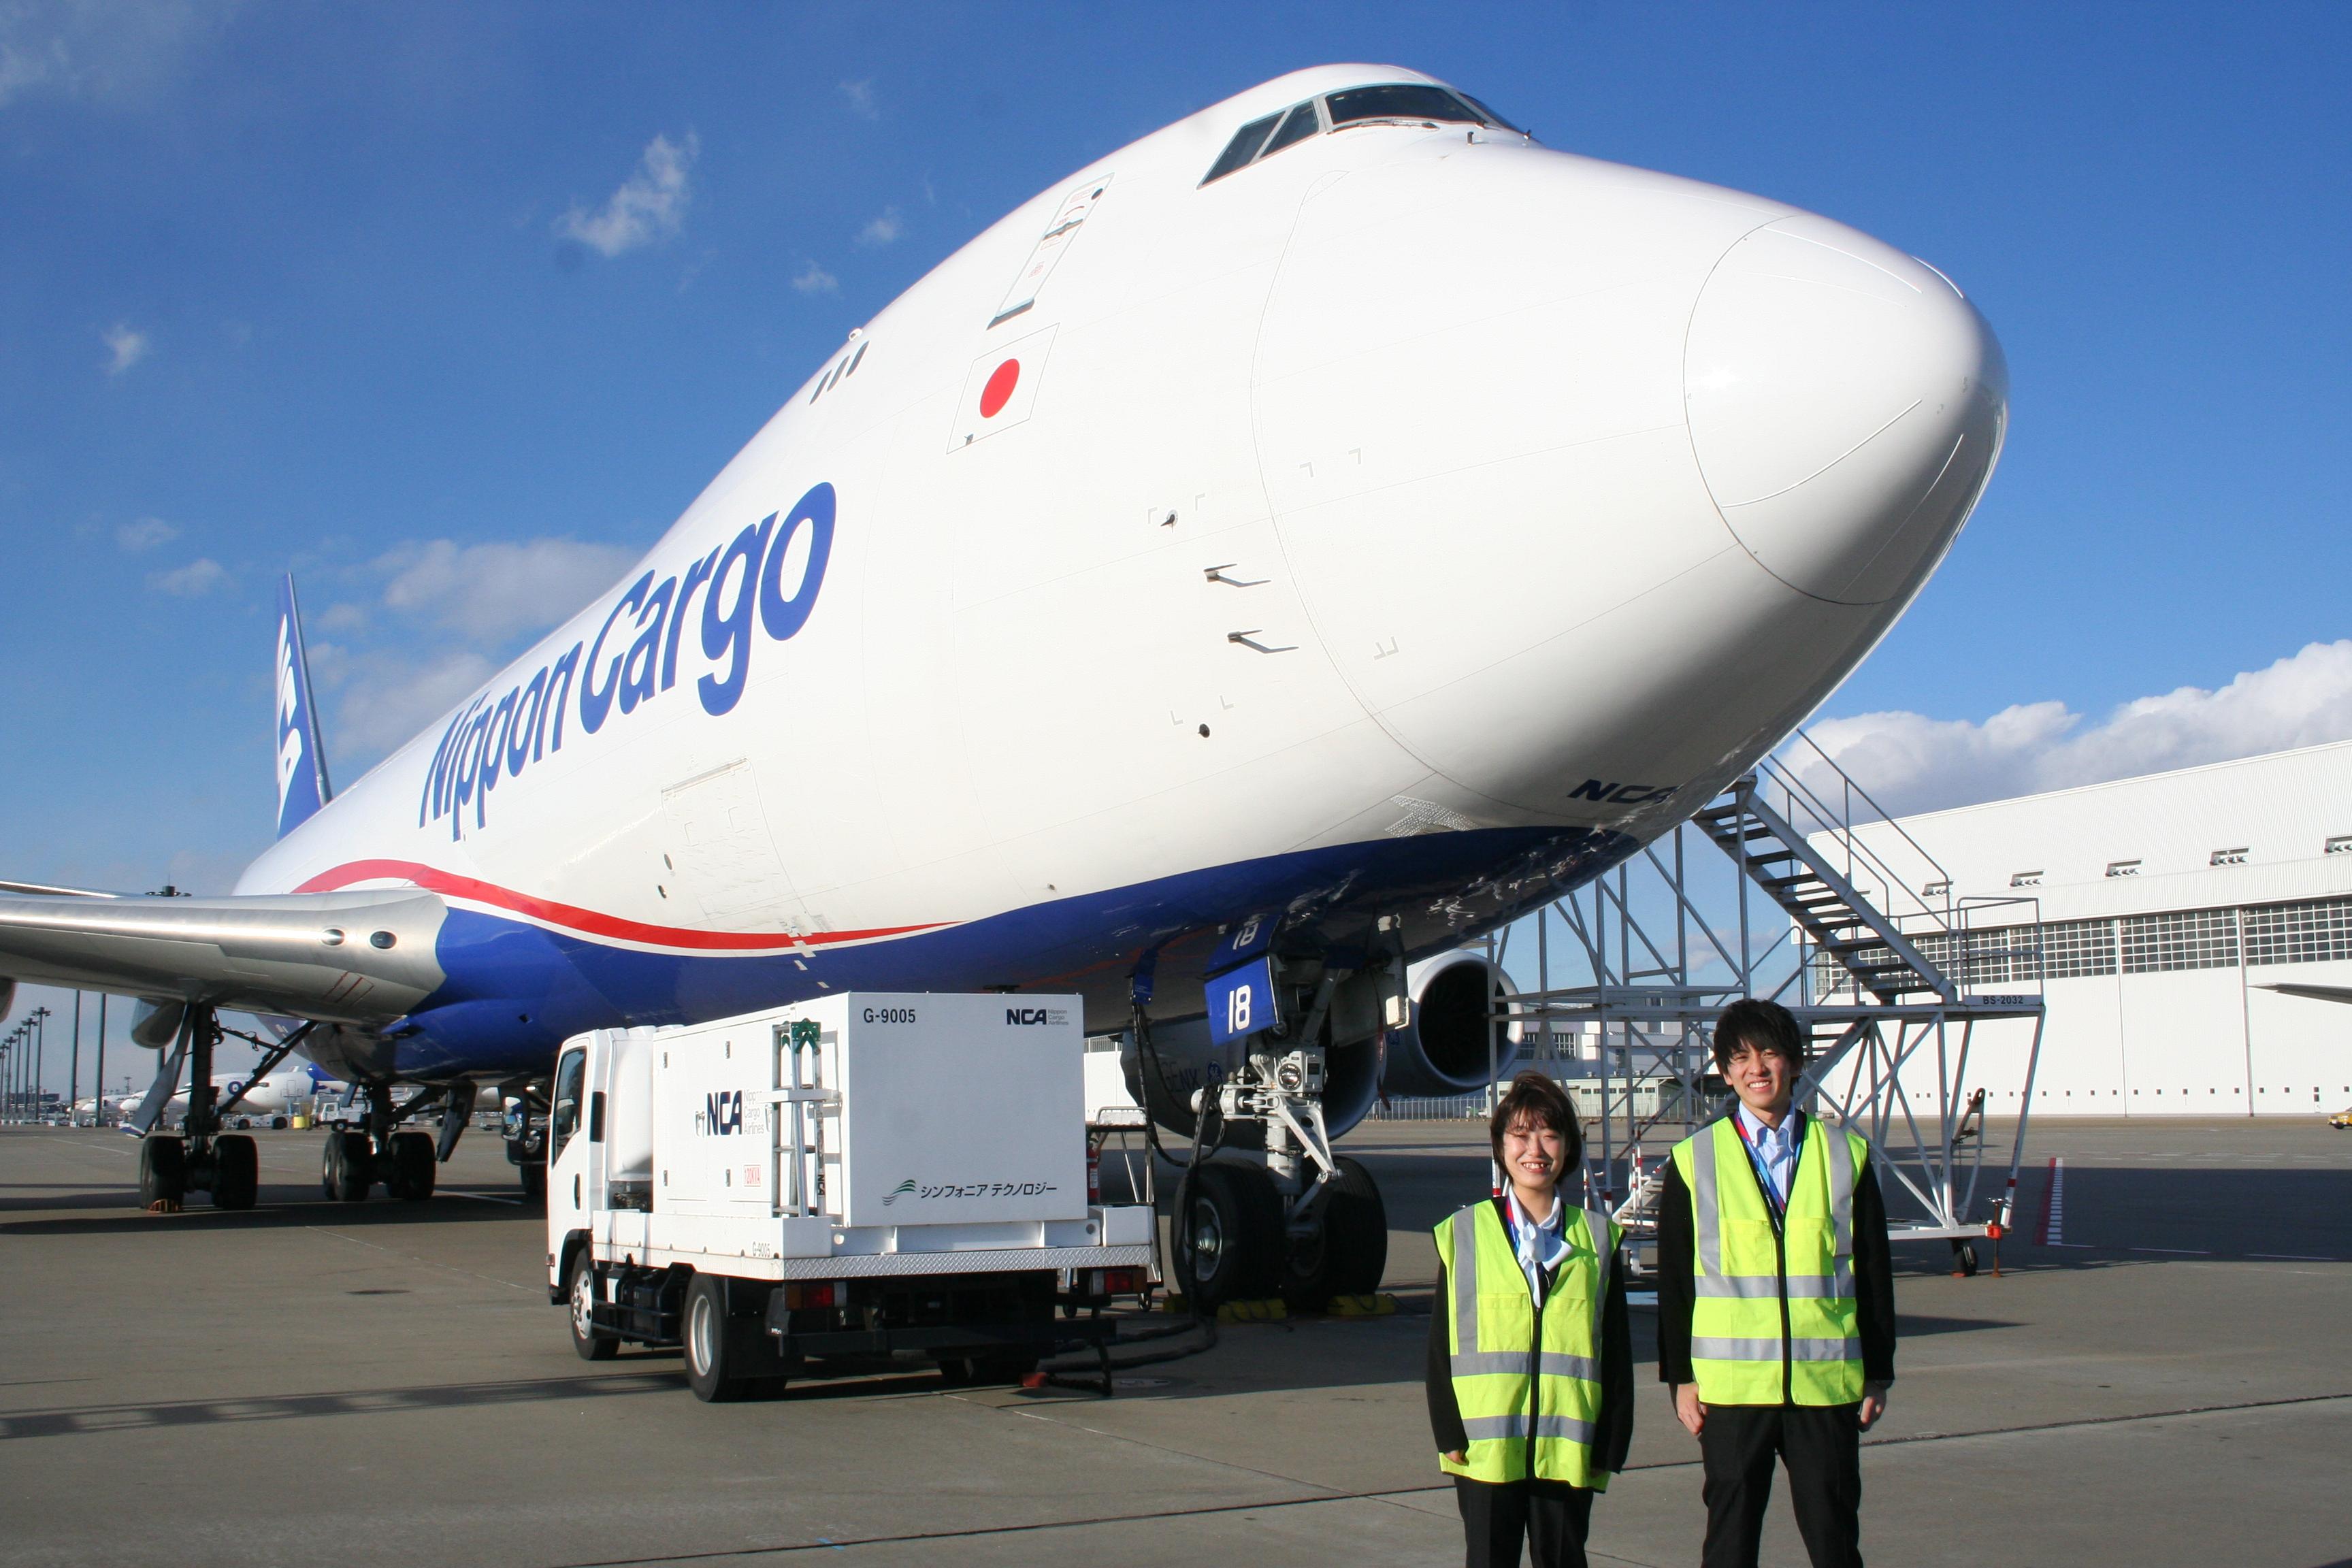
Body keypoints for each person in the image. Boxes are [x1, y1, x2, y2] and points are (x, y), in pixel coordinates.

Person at [1657, 998, 1896, 1568]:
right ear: (1723, 1070)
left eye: (1768, 1053)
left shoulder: (1846, 1153)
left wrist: (1878, 1370)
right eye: (1739, 1057)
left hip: (1824, 1386)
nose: (1755, 1068)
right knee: (1730, 1542)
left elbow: (1873, 1268)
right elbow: (1675, 1283)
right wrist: (1680, 1379)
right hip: (1733, 1393)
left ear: (1793, 1061)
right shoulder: (1695, 1160)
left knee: (1835, 1538)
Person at [1427, 1069, 1633, 1568]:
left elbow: (1616, 1351)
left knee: (1564, 1559)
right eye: (1520, 1134)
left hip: (1567, 1445)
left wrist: (1612, 1440)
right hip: (1487, 1444)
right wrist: (1448, 1430)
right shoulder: (1465, 1233)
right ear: (1501, 1146)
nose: (1534, 1149)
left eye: (1549, 1133)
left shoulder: (1598, 1239)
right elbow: (1440, 1344)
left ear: (1567, 1147)